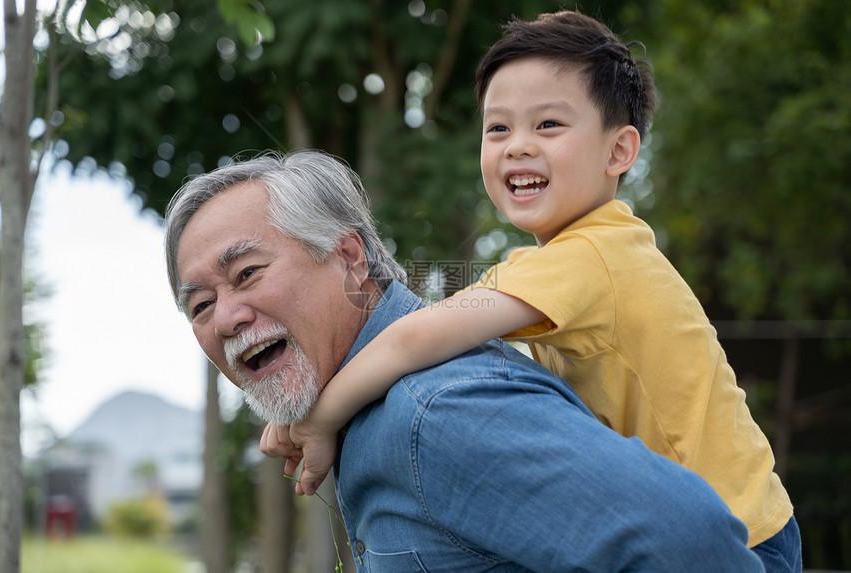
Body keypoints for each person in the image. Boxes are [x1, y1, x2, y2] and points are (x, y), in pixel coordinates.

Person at [259, 10, 801, 573]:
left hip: (735, 543)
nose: (517, 147)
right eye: (498, 128)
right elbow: (444, 323)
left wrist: (319, 417)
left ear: (619, 152)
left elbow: (413, 337)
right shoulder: (566, 257)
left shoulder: (591, 257)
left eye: (548, 126)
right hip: (736, 519)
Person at [165, 149, 765, 571]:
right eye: (199, 305)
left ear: (350, 258)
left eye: (248, 274)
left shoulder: (434, 412)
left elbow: (693, 541)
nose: (225, 318)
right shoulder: (363, 415)